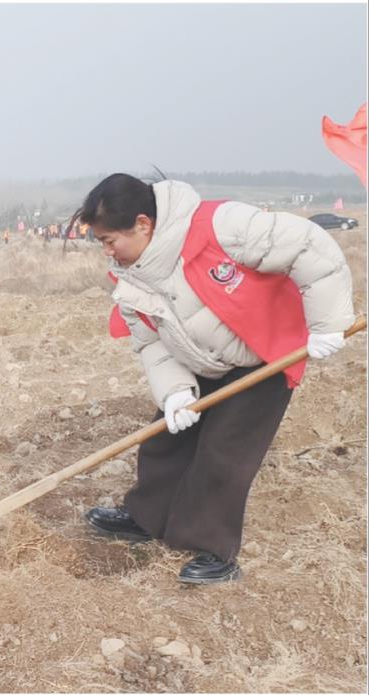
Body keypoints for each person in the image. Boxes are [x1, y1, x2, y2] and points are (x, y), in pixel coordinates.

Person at [77, 173, 354, 584]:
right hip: (200, 358)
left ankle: (213, 548)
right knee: (165, 439)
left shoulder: (222, 226)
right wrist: (174, 394)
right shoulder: (132, 277)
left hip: (264, 356)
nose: (106, 252)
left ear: (142, 224)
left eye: (108, 240)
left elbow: (308, 246)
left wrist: (328, 322)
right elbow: (152, 345)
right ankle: (145, 517)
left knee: (224, 451)